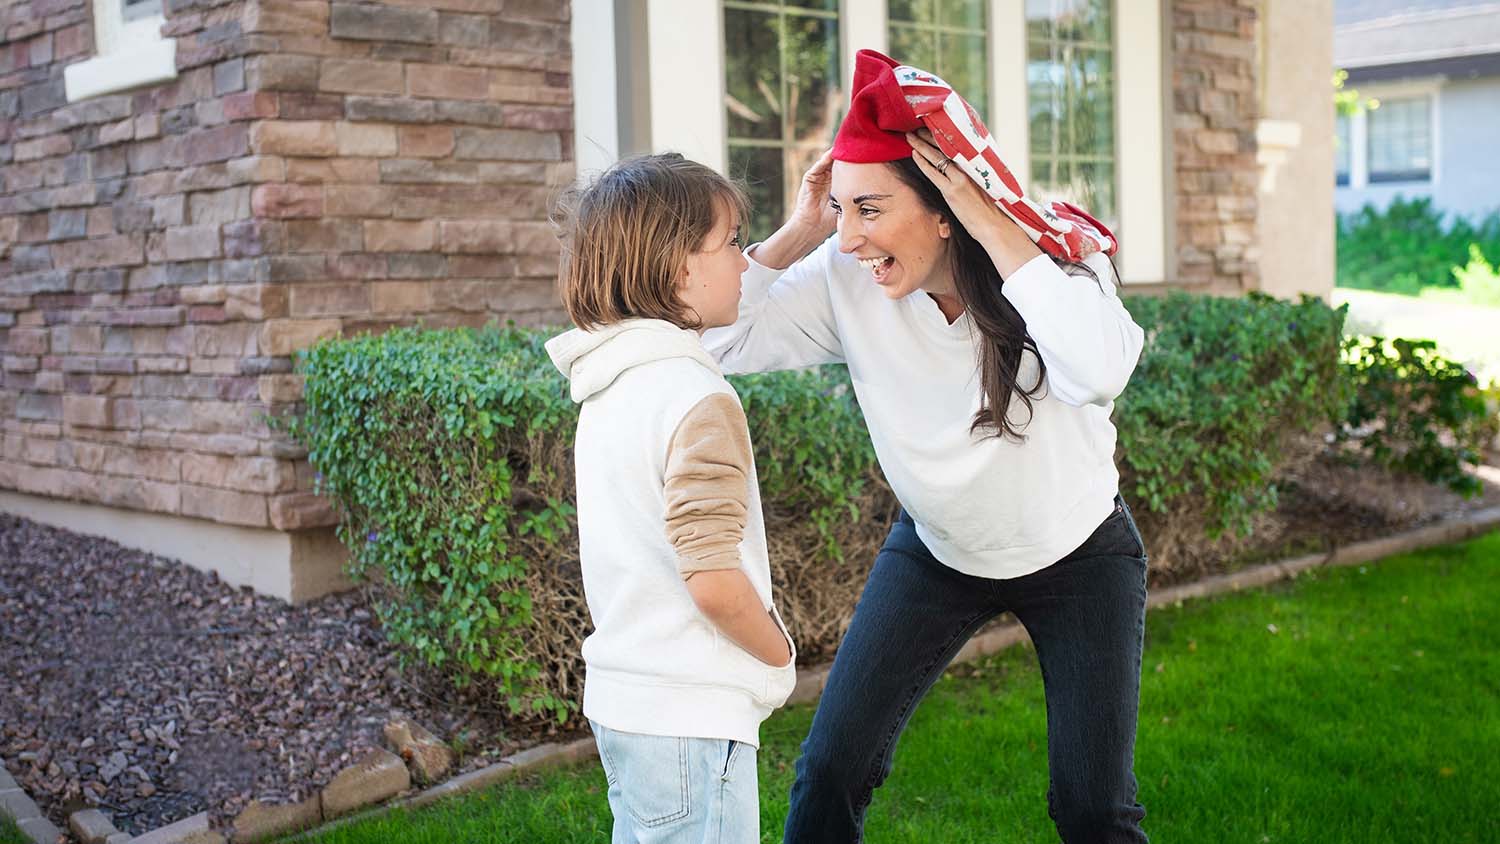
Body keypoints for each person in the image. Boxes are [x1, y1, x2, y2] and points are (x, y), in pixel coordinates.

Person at [703, 50, 1150, 843]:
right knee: (830, 771)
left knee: (1092, 808)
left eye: (868, 210)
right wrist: (801, 226)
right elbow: (719, 347)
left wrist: (993, 223)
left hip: (1078, 552)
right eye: (838, 211)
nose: (848, 240)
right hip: (937, 551)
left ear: (946, 206)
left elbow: (1101, 370)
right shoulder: (848, 280)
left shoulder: (1056, 265)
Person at [546, 153, 797, 844]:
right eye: (734, 243)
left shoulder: (614, 383)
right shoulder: (697, 396)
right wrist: (777, 655)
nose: (746, 262)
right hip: (689, 718)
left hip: (630, 705)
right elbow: (713, 581)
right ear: (682, 267)